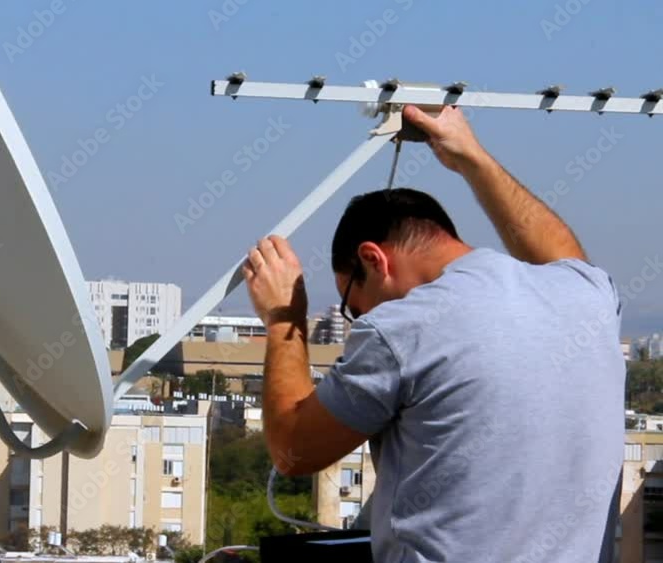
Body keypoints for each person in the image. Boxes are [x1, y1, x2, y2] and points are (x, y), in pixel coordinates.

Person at [243, 105, 624, 562]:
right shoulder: (587, 296)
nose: (359, 322)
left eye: (354, 307)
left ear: (373, 260)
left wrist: (285, 318)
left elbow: (293, 450)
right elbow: (560, 254)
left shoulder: (403, 330)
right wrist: (471, 157)